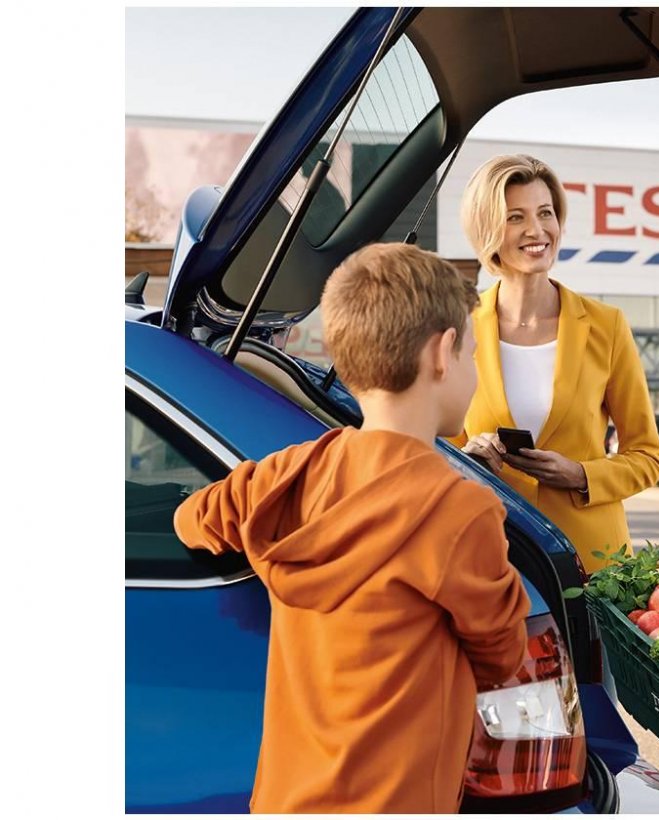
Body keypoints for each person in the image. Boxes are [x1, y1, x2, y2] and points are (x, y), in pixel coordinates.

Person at [173, 243, 530, 813]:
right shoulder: (461, 512)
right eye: (473, 354)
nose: (476, 371)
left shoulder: (287, 476)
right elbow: (503, 655)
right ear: (442, 354)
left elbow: (193, 518)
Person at [454, 154, 659, 574]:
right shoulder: (460, 327)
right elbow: (438, 452)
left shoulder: (606, 326)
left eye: (545, 213)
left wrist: (582, 475)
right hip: (493, 552)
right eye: (515, 217)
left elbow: (647, 456)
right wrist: (468, 457)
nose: (537, 230)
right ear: (487, 229)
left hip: (593, 561)